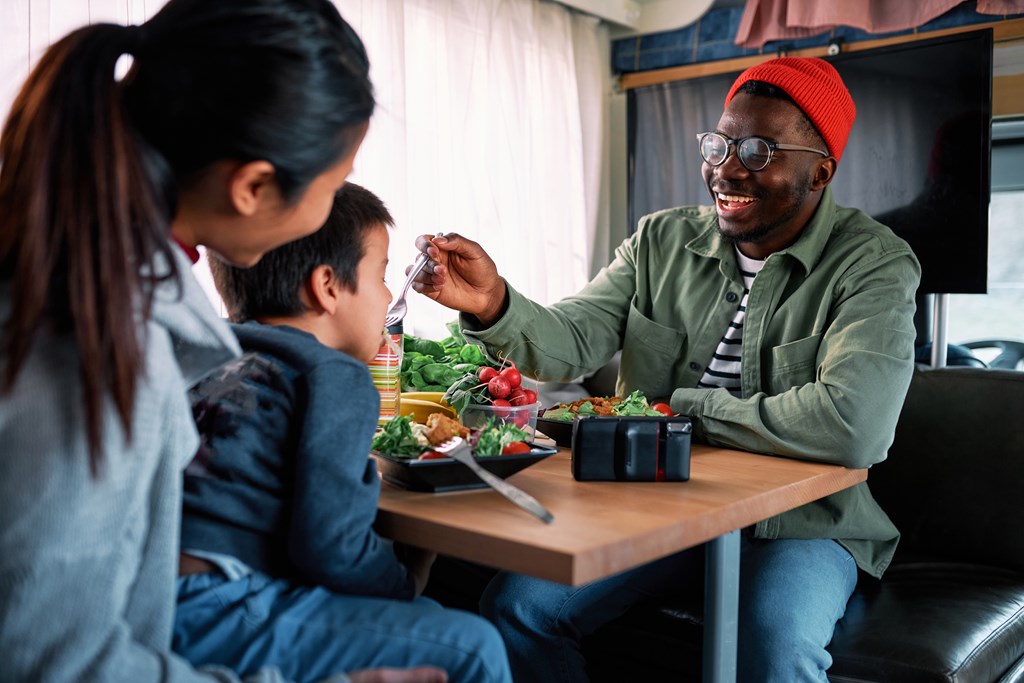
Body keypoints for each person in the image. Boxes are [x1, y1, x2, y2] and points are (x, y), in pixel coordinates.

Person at [410, 57, 922, 682]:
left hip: (804, 524)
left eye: (760, 150)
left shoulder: (874, 263)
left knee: (774, 644)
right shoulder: (659, 240)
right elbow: (572, 340)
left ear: (820, 171)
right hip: (655, 502)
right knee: (520, 608)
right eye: (721, 143)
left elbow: (853, 425)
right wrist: (491, 302)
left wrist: (687, 410)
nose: (728, 168)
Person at [0, 2, 443, 682]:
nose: (327, 209)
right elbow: (53, 659)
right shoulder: (103, 338)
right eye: (331, 186)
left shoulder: (80, 265)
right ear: (254, 187)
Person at [173, 183, 513, 683]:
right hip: (220, 603)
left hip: (149, 590)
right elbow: (331, 543)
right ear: (327, 286)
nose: (386, 296)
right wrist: (406, 583)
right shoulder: (333, 375)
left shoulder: (217, 357)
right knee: (475, 647)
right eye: (380, 275)